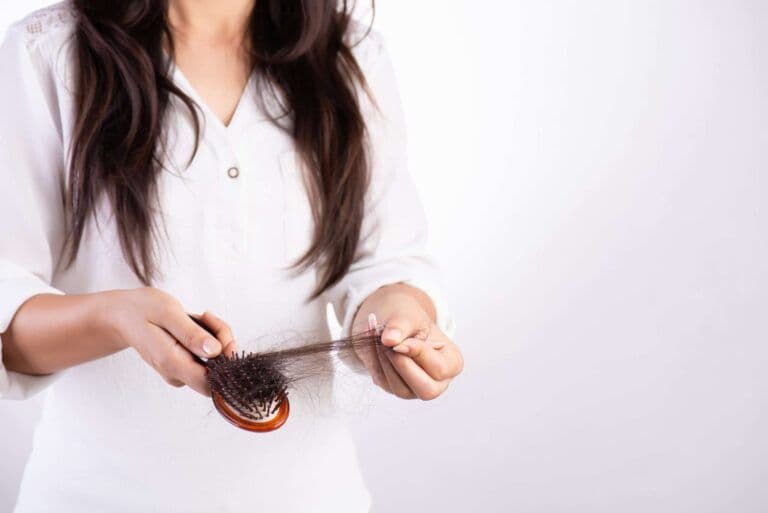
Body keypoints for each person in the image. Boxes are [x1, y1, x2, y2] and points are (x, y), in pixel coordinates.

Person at [0, 1, 463, 511]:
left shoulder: (350, 54)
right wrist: (115, 316)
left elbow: (388, 258)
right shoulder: (47, 53)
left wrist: (400, 321)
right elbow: (8, 326)